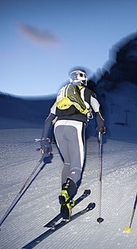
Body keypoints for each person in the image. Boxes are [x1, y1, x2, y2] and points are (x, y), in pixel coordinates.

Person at [40, 69, 106, 220]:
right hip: (75, 127)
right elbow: (98, 111)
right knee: (76, 166)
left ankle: (66, 201)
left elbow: (49, 118)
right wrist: (100, 126)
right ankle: (67, 193)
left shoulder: (62, 94)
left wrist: (45, 140)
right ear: (84, 80)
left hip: (58, 128)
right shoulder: (87, 92)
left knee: (67, 163)